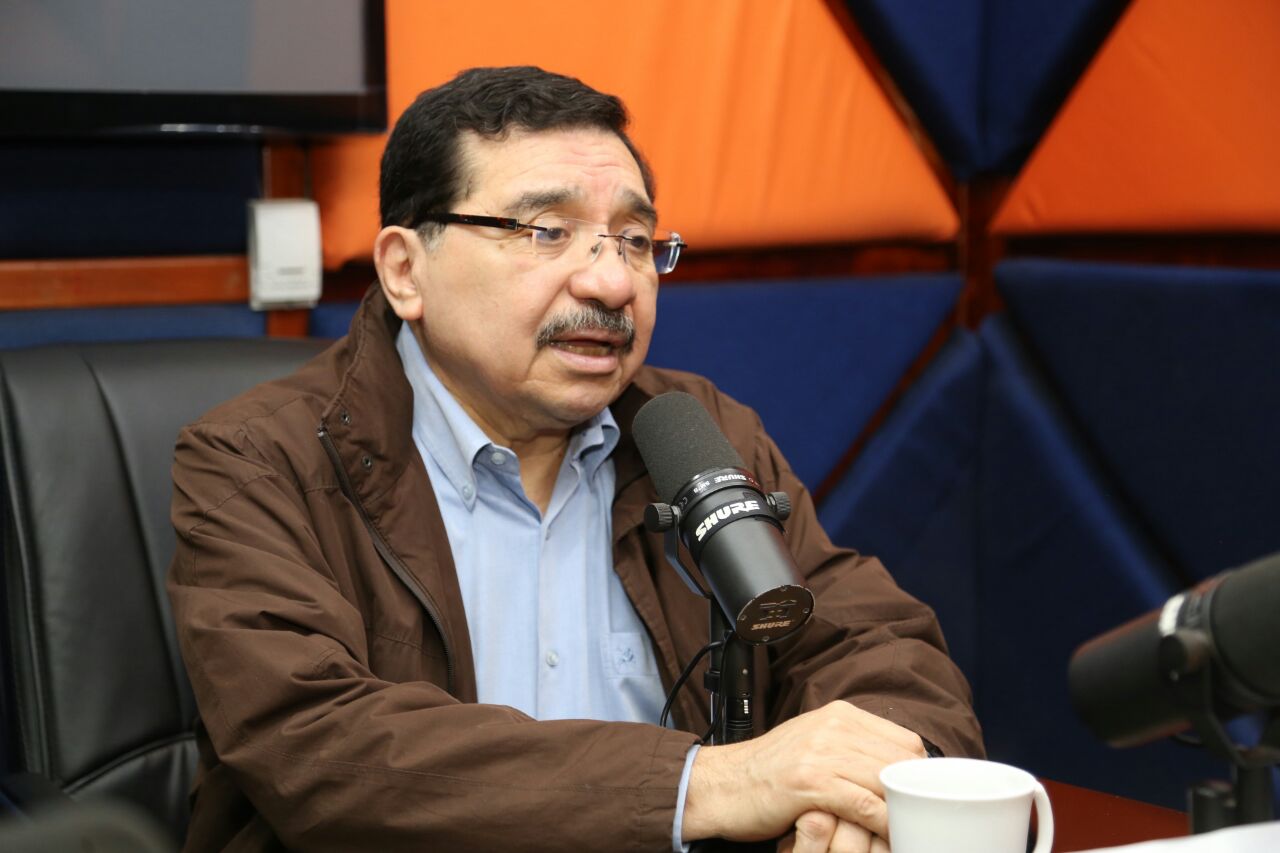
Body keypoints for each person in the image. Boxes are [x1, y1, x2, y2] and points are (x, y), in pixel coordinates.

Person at [168, 66, 982, 853]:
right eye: (547, 232)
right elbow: (318, 747)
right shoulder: (258, 460)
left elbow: (879, 647)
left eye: (634, 240)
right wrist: (706, 785)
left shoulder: (693, 432)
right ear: (406, 271)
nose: (612, 283)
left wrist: (864, 792)